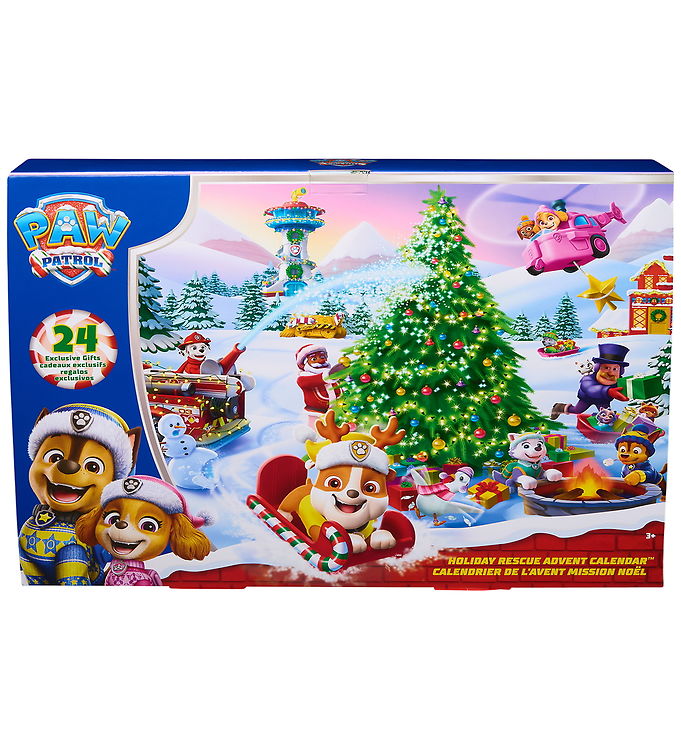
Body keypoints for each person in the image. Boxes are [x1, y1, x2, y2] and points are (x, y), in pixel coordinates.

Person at [551, 343, 629, 420]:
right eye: (606, 368)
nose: (610, 373)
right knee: (577, 410)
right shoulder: (588, 379)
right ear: (598, 368)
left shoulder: (618, 381)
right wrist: (608, 391)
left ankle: (605, 424)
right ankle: (559, 407)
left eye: (615, 369)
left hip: (603, 400)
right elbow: (590, 389)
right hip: (587, 398)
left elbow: (625, 389)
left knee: (607, 413)